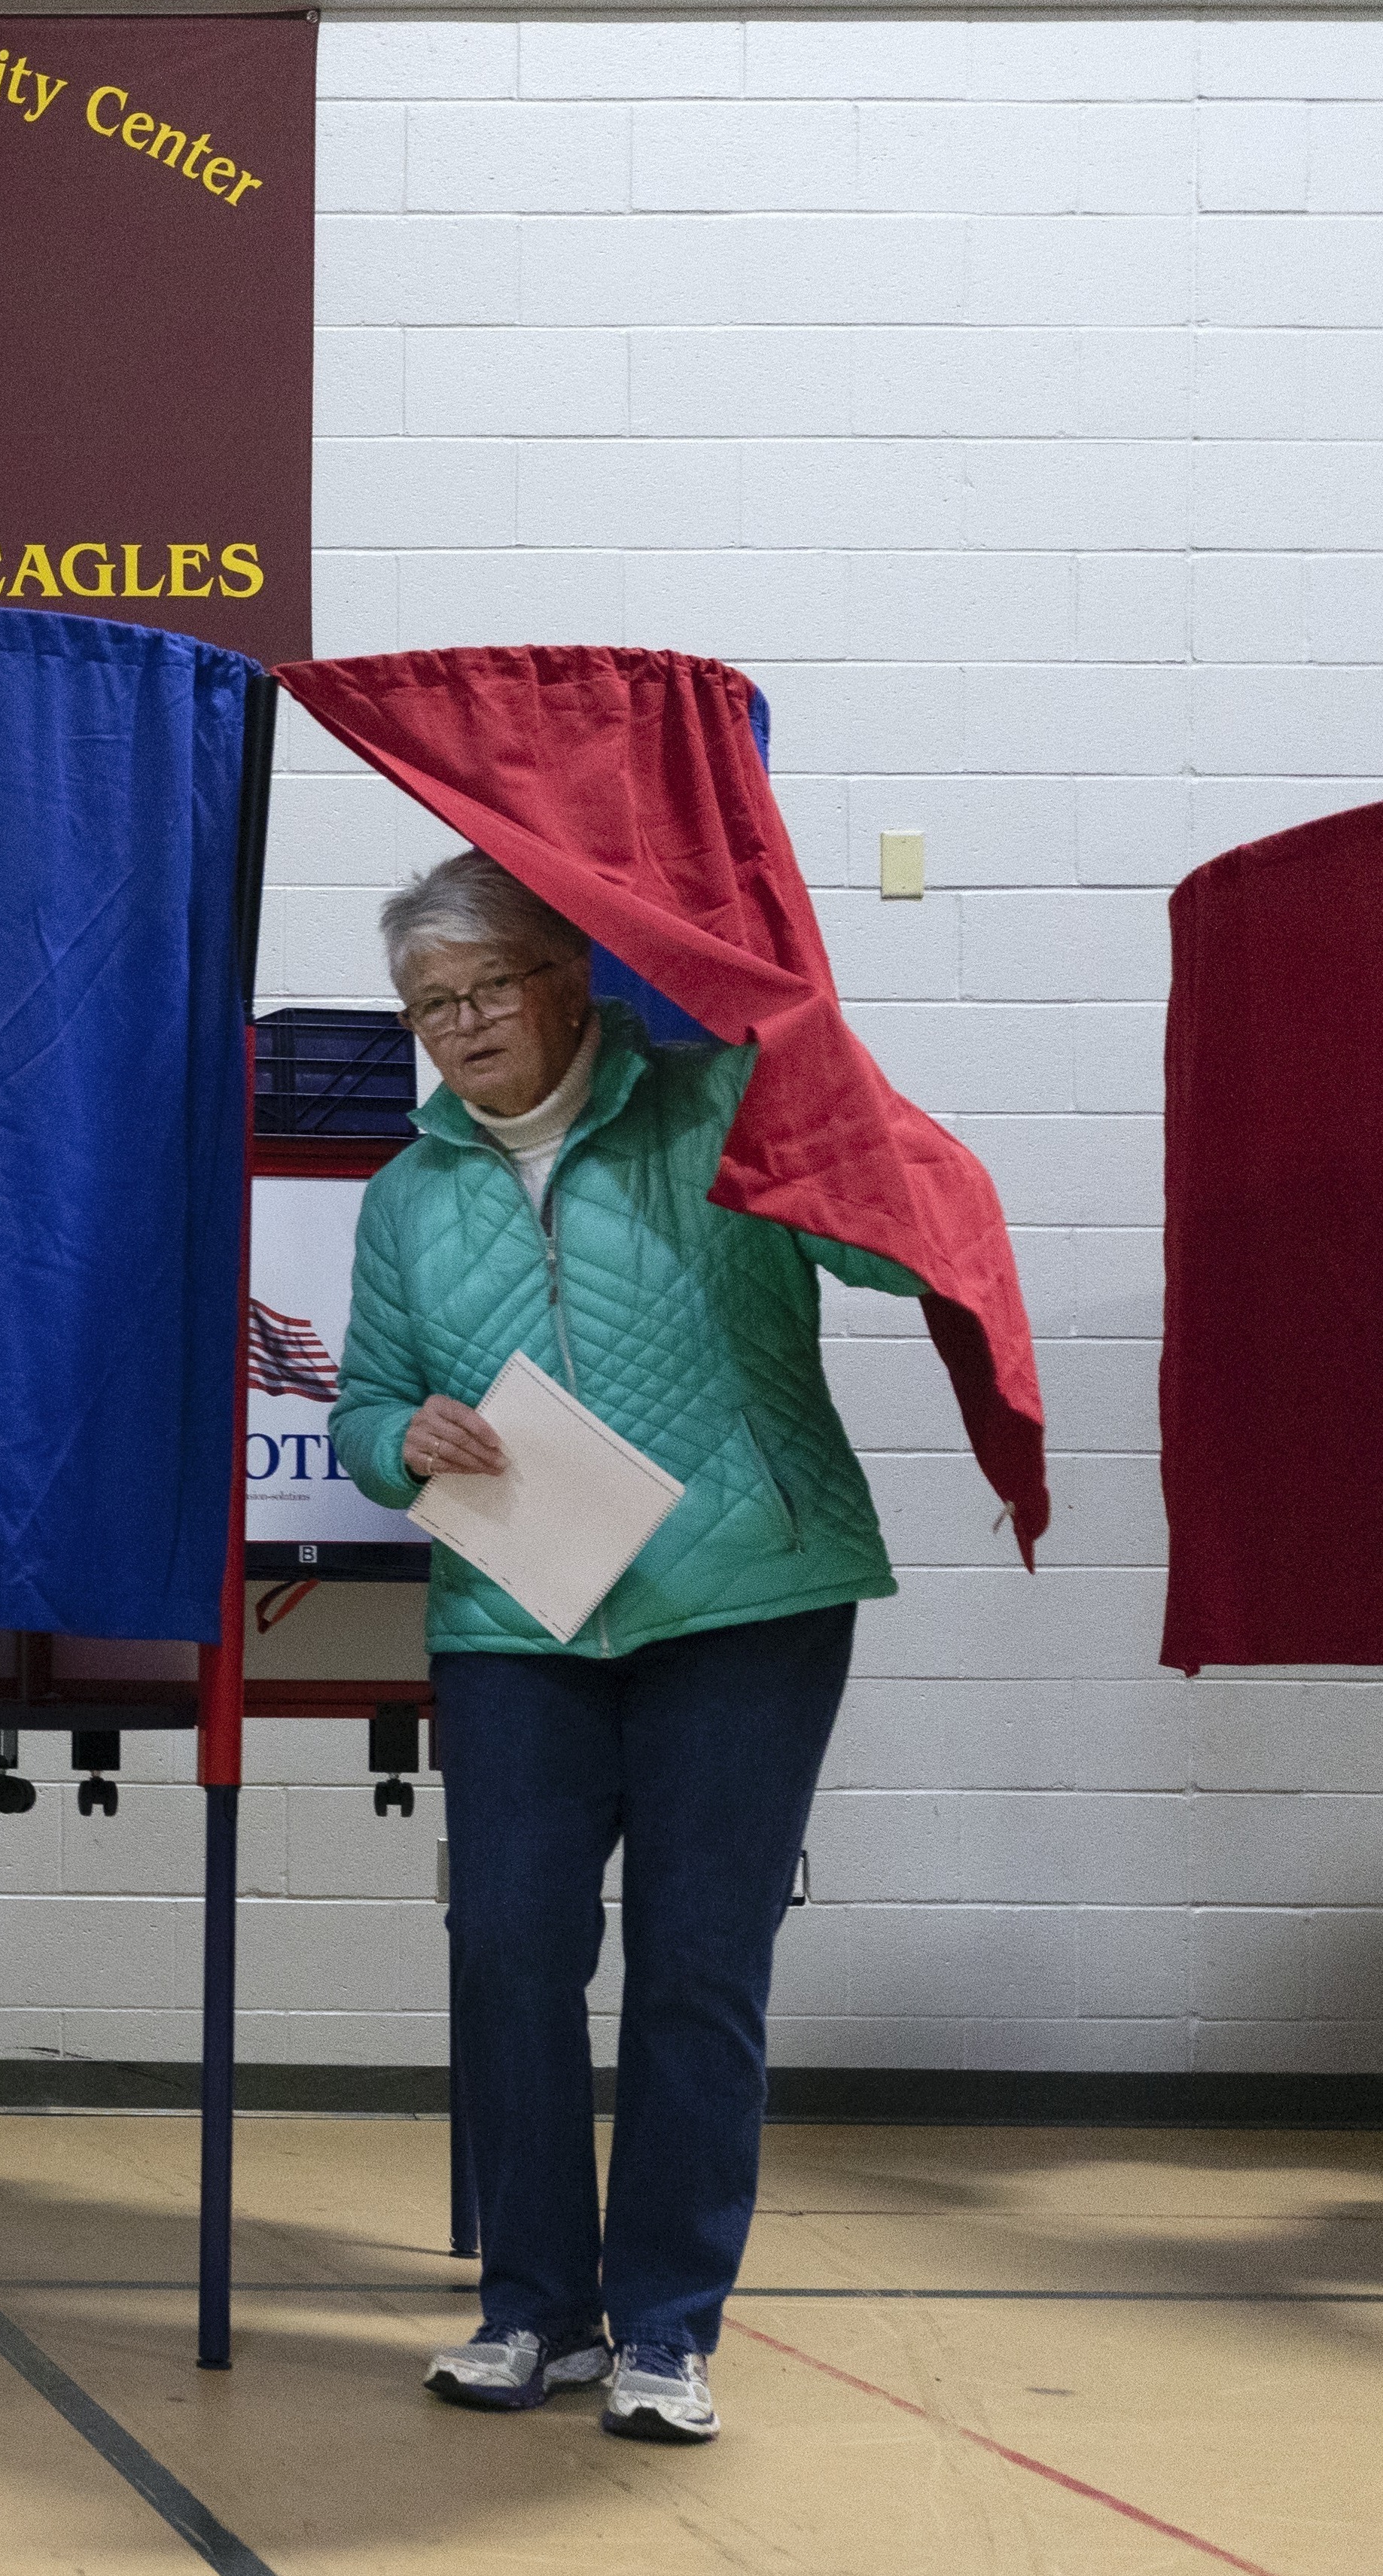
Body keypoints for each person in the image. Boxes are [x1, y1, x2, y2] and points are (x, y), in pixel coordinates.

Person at [330, 851, 922, 2443]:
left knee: (700, 1967)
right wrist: (406, 1440)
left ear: (568, 980)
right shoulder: (410, 1192)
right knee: (509, 1949)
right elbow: (362, 1404)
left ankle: (665, 2326)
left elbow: (889, 1242)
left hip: (745, 1601)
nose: (458, 1028)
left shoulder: (719, 1111)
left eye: (485, 990)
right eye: (428, 1006)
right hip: (518, 1609)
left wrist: (821, 1080)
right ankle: (533, 2307)